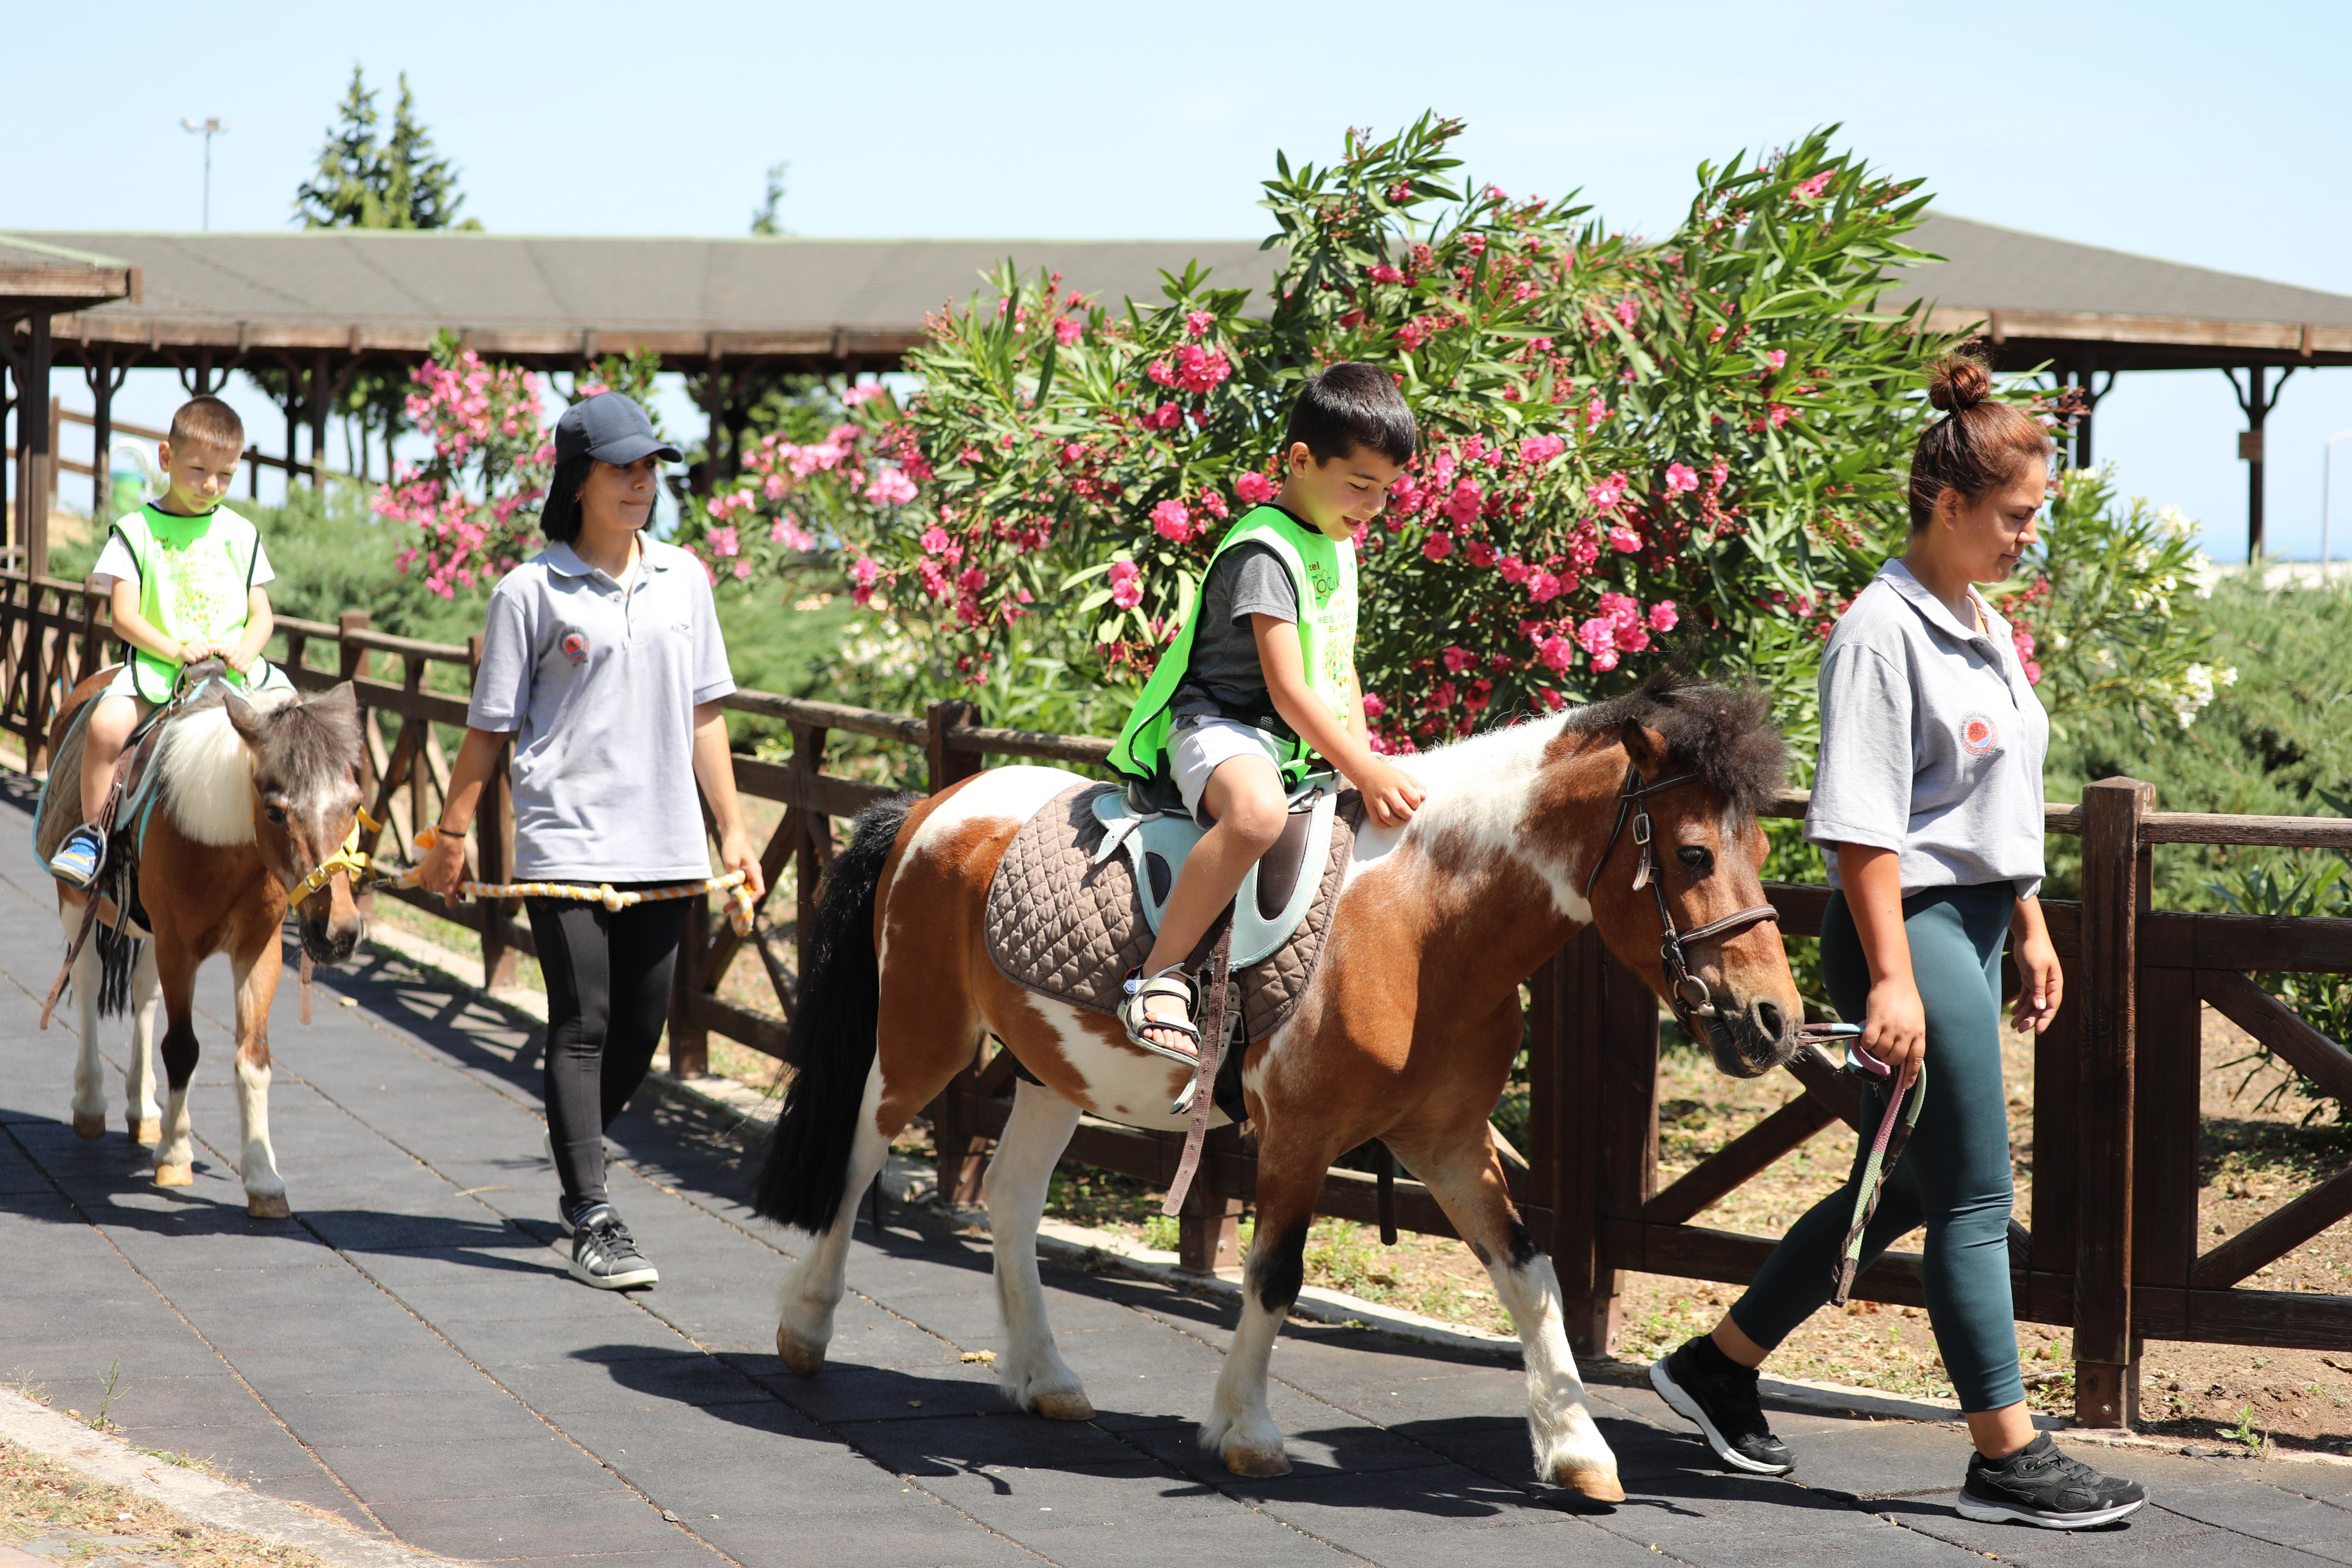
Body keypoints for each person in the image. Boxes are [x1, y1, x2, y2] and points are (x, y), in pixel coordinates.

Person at [1648, 352, 2147, 1529]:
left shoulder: (1978, 620)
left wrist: (2025, 921)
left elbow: (1995, 801)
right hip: (1907, 929)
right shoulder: (1881, 633)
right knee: (1976, 1192)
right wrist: (1889, 975)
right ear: (1948, 505)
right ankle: (2006, 1456)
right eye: (2017, 517)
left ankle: (1719, 1363)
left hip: (1972, 923)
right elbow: (1864, 829)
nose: (2029, 537)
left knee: (1918, 1183)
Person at [419, 391, 763, 1291]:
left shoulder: (685, 577)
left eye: (649, 466)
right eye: (622, 467)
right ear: (578, 480)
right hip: (566, 841)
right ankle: (594, 1210)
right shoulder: (527, 592)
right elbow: (489, 729)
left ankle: (575, 1145)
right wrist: (451, 832)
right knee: (584, 1020)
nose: (640, 481)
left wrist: (733, 829)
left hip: (667, 845)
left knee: (639, 1033)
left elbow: (705, 712)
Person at [1105, 362, 1426, 1060]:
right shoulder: (1266, 552)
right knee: (1257, 816)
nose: (1373, 506)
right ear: (1301, 460)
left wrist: (1364, 762)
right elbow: (1288, 690)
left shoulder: (1335, 542)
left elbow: (1339, 666)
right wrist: (1362, 767)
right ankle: (1158, 980)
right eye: (1360, 484)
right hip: (1219, 727)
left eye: (1386, 491)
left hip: (1289, 744)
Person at [49, 396, 291, 888]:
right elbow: (123, 615)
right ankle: (91, 834)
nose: (210, 485)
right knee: (105, 726)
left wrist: (248, 646)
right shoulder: (136, 532)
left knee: (299, 724)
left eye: (225, 475)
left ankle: (322, 845)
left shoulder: (241, 533)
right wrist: (173, 647)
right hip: (160, 670)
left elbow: (262, 612)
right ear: (166, 458)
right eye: (199, 469)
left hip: (236, 670)